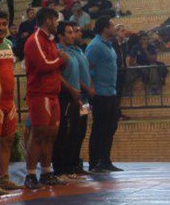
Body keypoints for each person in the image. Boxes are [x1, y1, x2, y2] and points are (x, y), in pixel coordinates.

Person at [22, 6, 68, 190]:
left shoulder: (50, 40)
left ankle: (47, 172)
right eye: (56, 20)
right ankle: (30, 174)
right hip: (40, 94)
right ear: (48, 20)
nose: (57, 24)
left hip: (52, 93)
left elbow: (55, 65)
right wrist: (61, 59)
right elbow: (43, 65)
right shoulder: (35, 40)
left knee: (50, 135)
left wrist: (61, 61)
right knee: (38, 134)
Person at [0, 11, 20, 192]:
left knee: (7, 141)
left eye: (4, 24)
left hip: (9, 101)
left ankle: (3, 178)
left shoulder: (8, 44)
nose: (1, 28)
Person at [85, 17, 122, 173]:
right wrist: (92, 87)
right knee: (99, 128)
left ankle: (105, 160)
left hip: (111, 92)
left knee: (111, 127)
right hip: (100, 93)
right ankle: (95, 162)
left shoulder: (109, 45)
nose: (115, 28)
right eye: (112, 26)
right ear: (105, 28)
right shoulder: (95, 46)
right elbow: (87, 68)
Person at [51, 22, 85, 179]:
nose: (73, 35)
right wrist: (71, 90)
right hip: (65, 97)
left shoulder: (73, 51)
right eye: (70, 32)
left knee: (76, 131)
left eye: (73, 32)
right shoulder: (58, 51)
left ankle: (71, 166)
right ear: (61, 36)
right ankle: (60, 169)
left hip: (77, 98)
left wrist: (78, 94)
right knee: (63, 133)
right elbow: (56, 75)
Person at [64, 24, 94, 176]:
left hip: (85, 99)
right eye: (75, 31)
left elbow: (86, 72)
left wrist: (90, 87)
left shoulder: (79, 51)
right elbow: (75, 76)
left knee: (81, 130)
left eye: (78, 31)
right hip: (77, 97)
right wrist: (86, 88)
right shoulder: (67, 52)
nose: (79, 33)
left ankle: (76, 163)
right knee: (73, 131)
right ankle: (69, 164)